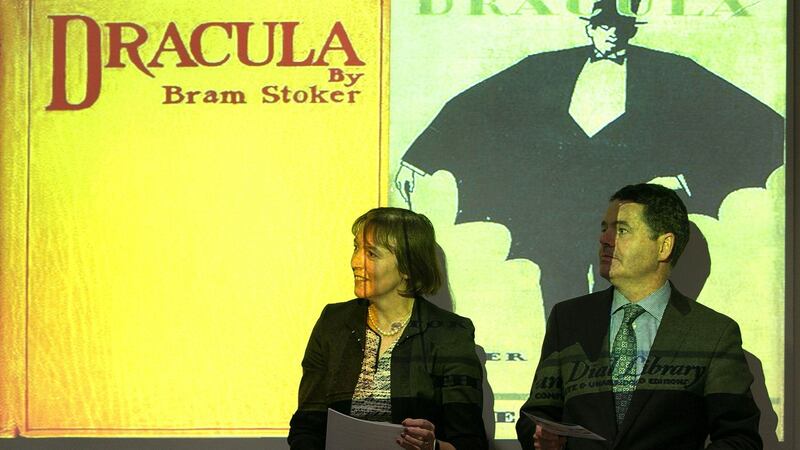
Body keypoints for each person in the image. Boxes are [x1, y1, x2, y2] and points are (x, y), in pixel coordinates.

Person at [396, 0, 784, 317]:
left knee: (617, 291)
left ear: (633, 30)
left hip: (628, 215)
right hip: (556, 211)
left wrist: (687, 180)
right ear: (590, 26)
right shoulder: (544, 68)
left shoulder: (672, 72)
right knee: (561, 294)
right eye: (604, 23)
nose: (612, 31)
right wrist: (417, 160)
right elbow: (473, 105)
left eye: (621, 25)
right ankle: (560, 378)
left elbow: (752, 121)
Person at [516, 184, 761, 449]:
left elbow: (739, 438)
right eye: (604, 228)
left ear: (664, 246)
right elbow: (537, 415)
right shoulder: (568, 319)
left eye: (621, 230)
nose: (605, 239)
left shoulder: (713, 333)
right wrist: (543, 437)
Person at [288, 207, 488, 450]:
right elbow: (307, 426)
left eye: (371, 253)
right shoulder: (334, 322)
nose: (355, 262)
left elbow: (470, 443)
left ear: (407, 266)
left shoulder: (450, 333)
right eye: (356, 248)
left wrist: (433, 446)